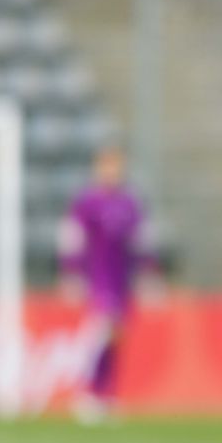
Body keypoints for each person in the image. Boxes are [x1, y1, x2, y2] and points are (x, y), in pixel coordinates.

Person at [57, 147, 160, 423]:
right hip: (97, 279)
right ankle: (88, 393)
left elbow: (142, 241)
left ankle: (107, 393)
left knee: (115, 338)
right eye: (107, 166)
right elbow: (72, 238)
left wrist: (148, 275)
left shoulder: (129, 203)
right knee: (99, 336)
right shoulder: (87, 203)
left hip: (121, 280)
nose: (112, 172)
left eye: (116, 166)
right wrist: (71, 272)